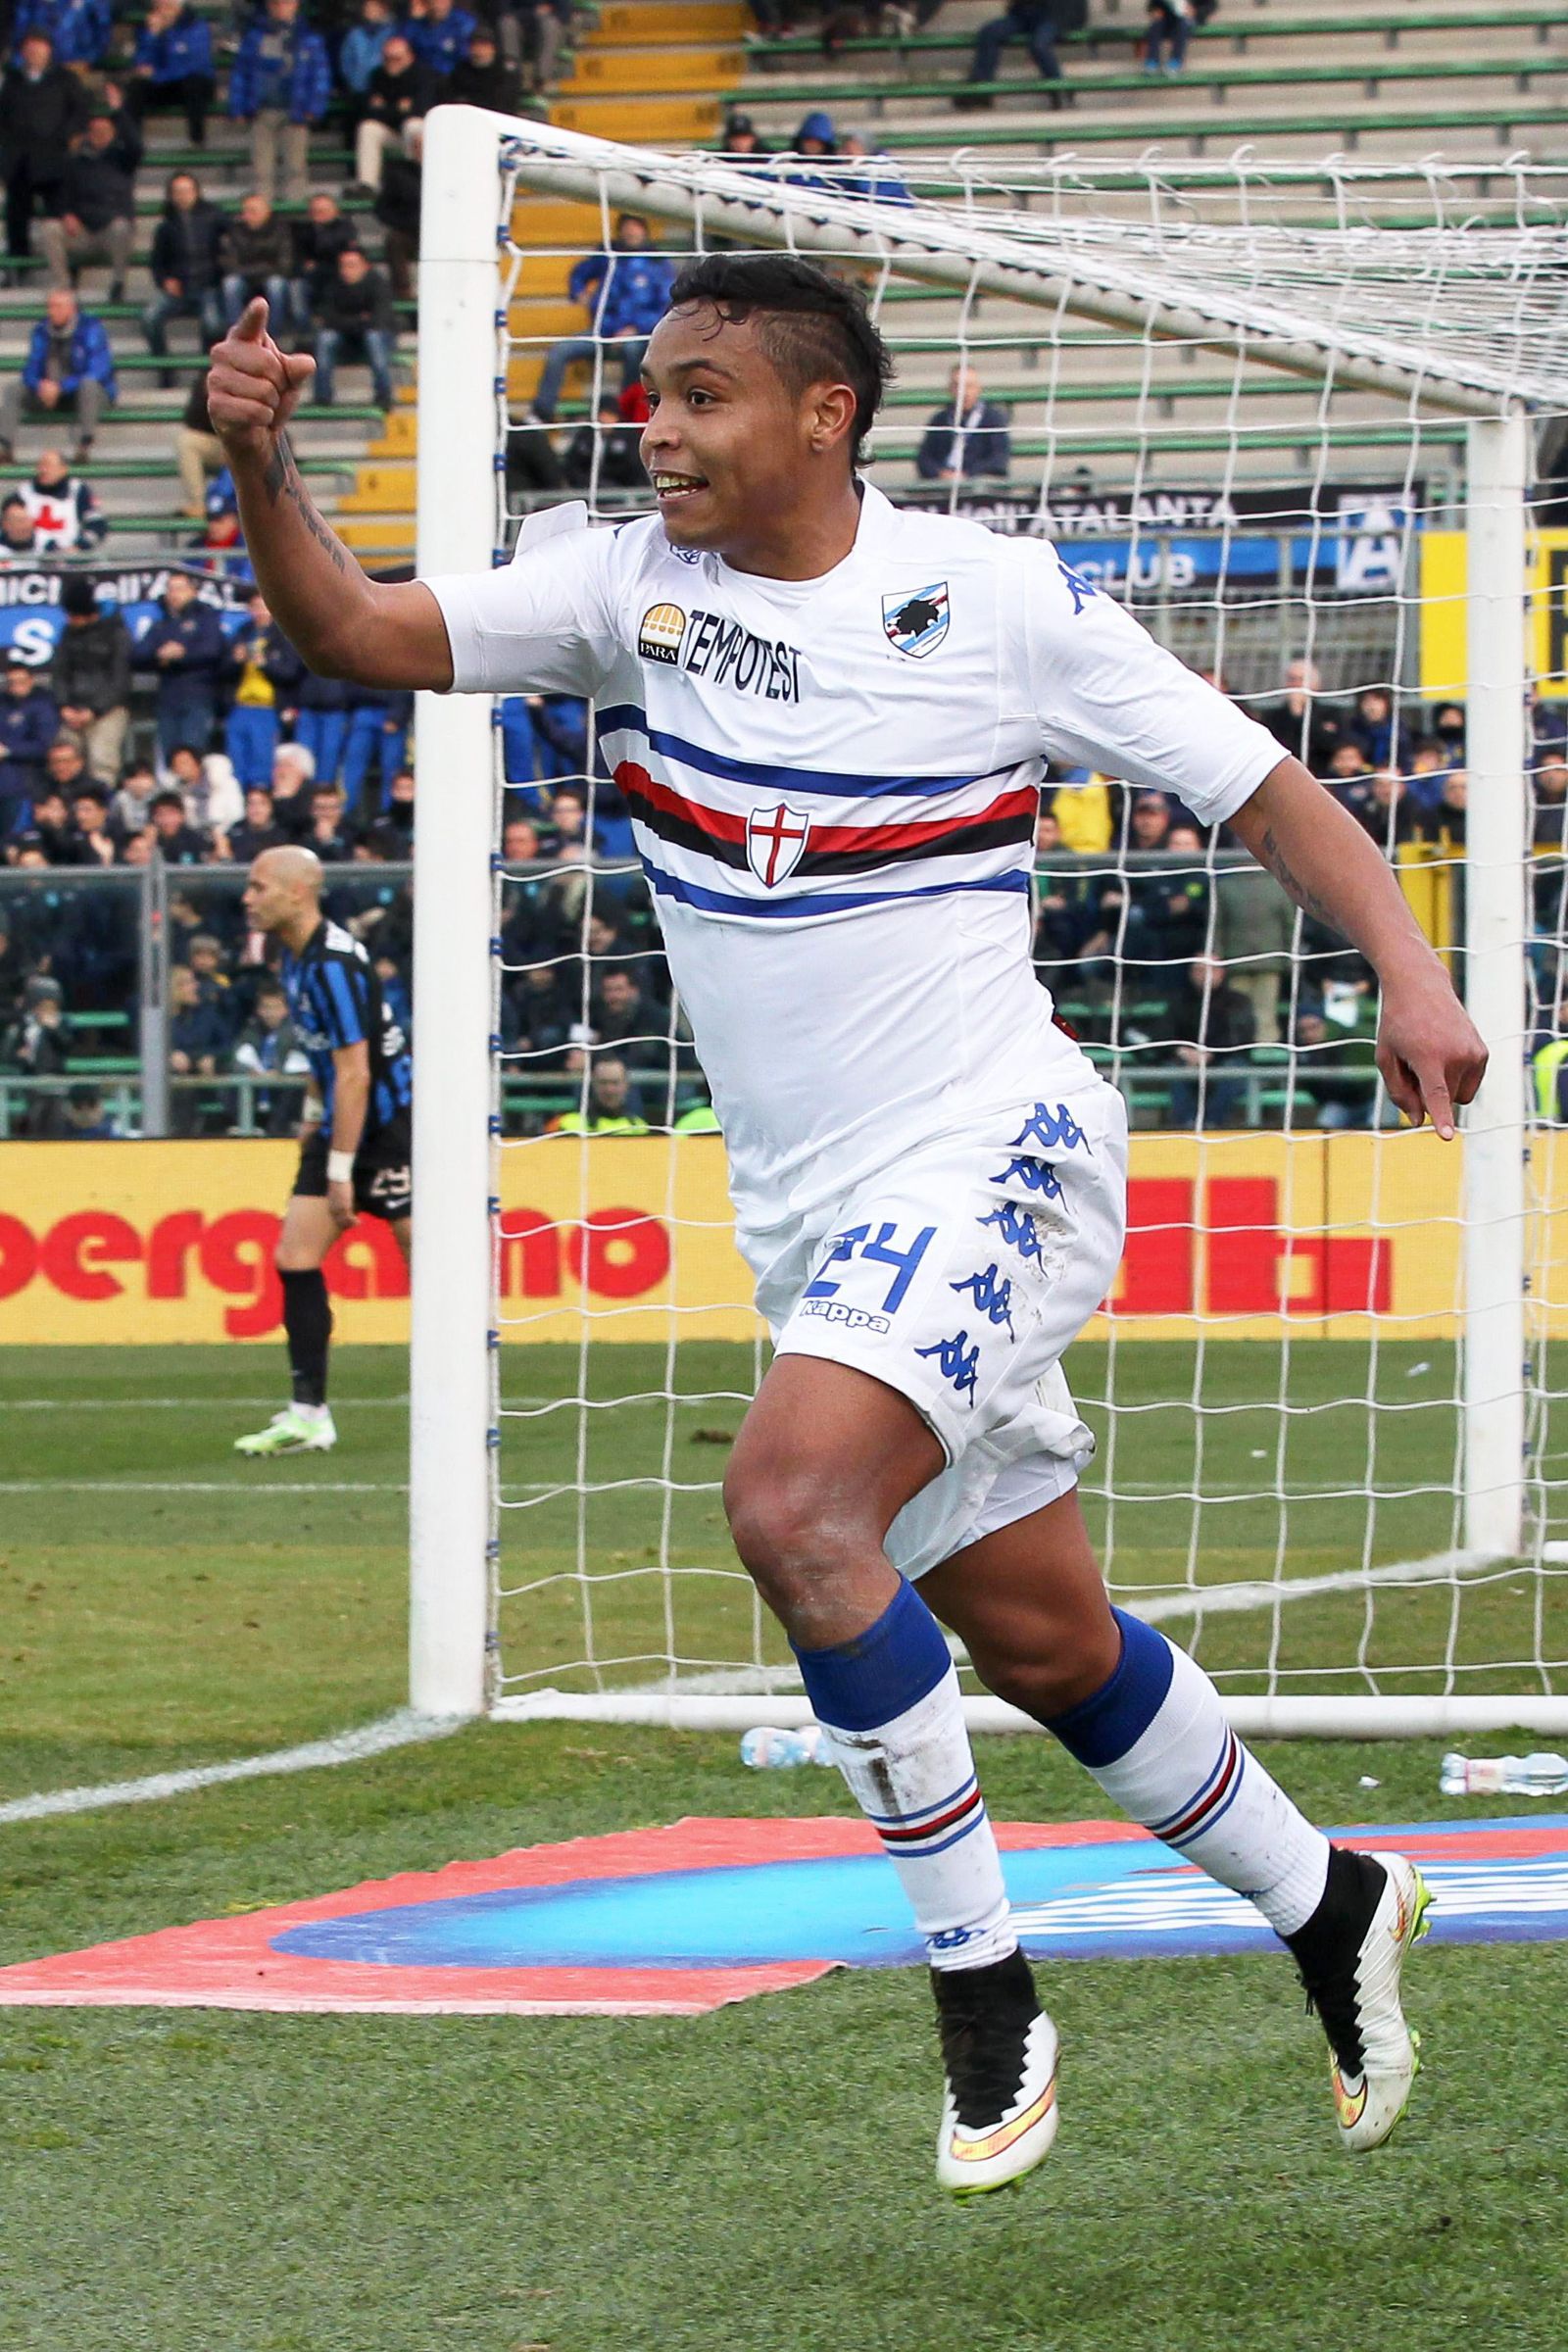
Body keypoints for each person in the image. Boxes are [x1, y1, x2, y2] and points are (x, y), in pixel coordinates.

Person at [208, 254, 1484, 2194]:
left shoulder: (992, 600)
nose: (656, 427)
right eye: (650, 391)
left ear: (827, 414)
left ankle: (982, 1991)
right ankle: (1331, 1901)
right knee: (1044, 1641)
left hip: (996, 1152)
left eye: (700, 393)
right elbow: (355, 629)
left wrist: (1409, 965)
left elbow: (1259, 787)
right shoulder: (621, 588)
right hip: (814, 1218)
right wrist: (262, 466)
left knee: (795, 1509)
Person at [233, 845, 414, 1454]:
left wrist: (340, 1169)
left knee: (428, 1262)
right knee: (295, 1256)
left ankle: (464, 1397)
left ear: (298, 891)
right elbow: (323, 1056)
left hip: (390, 1125)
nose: (248, 898)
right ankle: (309, 1414)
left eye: (258, 886)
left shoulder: (335, 963)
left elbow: (356, 1071)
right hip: (342, 1121)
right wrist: (315, 1119)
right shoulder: (294, 956)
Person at [531, 213, 674, 422]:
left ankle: (627, 413)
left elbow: (664, 307)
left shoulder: (657, 263)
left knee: (634, 351)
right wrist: (578, 292)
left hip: (638, 335)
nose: (631, 232)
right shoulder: (608, 255)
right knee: (560, 351)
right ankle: (542, 412)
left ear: (644, 230)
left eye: (635, 227)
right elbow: (579, 273)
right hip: (602, 332)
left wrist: (636, 328)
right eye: (627, 227)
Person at [227, 0, 333, 210]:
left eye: (285, 3)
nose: (281, 8)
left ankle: (294, 214)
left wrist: (314, 107)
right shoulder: (254, 38)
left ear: (295, 5)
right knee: (261, 169)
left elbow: (320, 75)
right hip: (262, 110)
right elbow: (241, 73)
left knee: (295, 167)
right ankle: (261, 213)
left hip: (296, 111)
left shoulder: (310, 39)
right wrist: (238, 106)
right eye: (276, 4)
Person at [0, 287, 118, 466]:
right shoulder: (41, 330)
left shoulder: (91, 329)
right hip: (49, 394)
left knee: (89, 384)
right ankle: (5, 448)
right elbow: (31, 368)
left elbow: (98, 370)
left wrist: (61, 387)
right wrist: (40, 385)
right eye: (50, 306)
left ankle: (84, 446)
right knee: (14, 389)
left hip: (85, 394)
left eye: (58, 306)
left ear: (72, 309)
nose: (52, 311)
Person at [0, 31, 88, 270]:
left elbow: (80, 111)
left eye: (39, 47)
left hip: (54, 159)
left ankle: (67, 270)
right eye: (30, 48)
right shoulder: (13, 80)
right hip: (20, 161)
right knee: (16, 218)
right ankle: (19, 268)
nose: (35, 53)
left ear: (49, 50)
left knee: (59, 217)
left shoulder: (65, 78)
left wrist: (66, 136)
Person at [36, 103, 140, 302]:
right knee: (50, 228)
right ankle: (63, 284)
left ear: (113, 133)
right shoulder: (74, 162)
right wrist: (67, 214)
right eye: (95, 131)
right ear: (88, 133)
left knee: (121, 227)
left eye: (104, 131)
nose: (99, 135)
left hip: (111, 230)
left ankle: (118, 282)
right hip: (82, 230)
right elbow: (63, 195)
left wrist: (119, 112)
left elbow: (136, 145)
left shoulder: (123, 160)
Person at [132, 570, 227, 763]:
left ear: (193, 591)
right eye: (171, 589)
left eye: (180, 589)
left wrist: (182, 655)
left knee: (192, 753)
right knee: (169, 756)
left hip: (198, 697)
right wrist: (160, 655)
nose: (174, 594)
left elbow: (213, 651)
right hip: (167, 699)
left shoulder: (206, 618)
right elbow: (137, 656)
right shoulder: (161, 624)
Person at [143, 172, 228, 377]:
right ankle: (165, 368)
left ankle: (207, 374)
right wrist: (165, 281)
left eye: (187, 191)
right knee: (149, 318)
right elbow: (157, 262)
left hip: (208, 286)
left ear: (196, 192)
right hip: (178, 290)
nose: (183, 196)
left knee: (213, 325)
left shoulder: (214, 218)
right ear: (171, 195)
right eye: (178, 192)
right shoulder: (165, 227)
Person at [51, 572, 132, 784]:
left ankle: (100, 801)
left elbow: (120, 679)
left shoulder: (116, 633)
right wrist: (64, 705)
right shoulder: (67, 634)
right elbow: (60, 672)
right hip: (72, 710)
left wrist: (95, 709)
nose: (69, 619)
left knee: (102, 761)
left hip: (108, 711)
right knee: (64, 760)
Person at [352, 33, 439, 198]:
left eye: (397, 58)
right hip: (393, 134)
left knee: (412, 125)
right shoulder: (377, 75)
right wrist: (399, 109)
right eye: (387, 58)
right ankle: (367, 185)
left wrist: (385, 108)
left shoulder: (424, 76)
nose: (391, 63)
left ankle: (416, 181)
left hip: (418, 136)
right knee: (368, 128)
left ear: (410, 57)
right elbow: (369, 113)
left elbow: (420, 110)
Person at [312, 246, 397, 412]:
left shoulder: (378, 284)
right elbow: (328, 318)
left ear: (365, 266)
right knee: (325, 339)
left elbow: (380, 319)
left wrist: (348, 322)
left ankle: (384, 395)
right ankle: (322, 396)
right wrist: (360, 320)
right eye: (343, 265)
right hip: (345, 336)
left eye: (352, 265)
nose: (346, 270)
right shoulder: (333, 285)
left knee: (374, 339)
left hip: (375, 335)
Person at [125, 0, 217, 146]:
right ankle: (132, 143)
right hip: (165, 84)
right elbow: (142, 64)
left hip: (191, 84)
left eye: (167, 6)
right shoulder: (148, 28)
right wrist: (153, 37)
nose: (163, 11)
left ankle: (197, 140)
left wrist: (158, 75)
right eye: (159, 7)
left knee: (194, 83)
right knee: (136, 87)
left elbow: (193, 65)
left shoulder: (196, 26)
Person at [232, 972, 313, 1133]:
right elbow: (238, 1058)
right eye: (266, 1007)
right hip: (256, 1088)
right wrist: (250, 1071)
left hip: (283, 1093)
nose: (270, 1013)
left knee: (292, 1091)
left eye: (276, 1007)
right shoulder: (250, 1031)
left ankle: (277, 1129)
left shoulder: (296, 1033)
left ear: (286, 1010)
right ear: (258, 1010)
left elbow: (301, 1064)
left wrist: (279, 1073)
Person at [957, 0, 1065, 107]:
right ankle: (982, 89)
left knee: (1039, 45)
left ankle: (1059, 90)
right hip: (1022, 14)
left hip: (1053, 16)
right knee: (989, 33)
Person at [915, 364, 1010, 484]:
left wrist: (968, 474)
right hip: (943, 483)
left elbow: (998, 459)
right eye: (957, 386)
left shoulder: (993, 418)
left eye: (969, 386)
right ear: (950, 389)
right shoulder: (940, 419)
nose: (964, 392)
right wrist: (940, 473)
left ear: (978, 389)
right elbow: (924, 459)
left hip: (980, 483)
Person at [0, 659, 61, 831]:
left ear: (31, 680)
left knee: (14, 835)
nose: (16, 686)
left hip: (24, 783)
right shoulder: (3, 704)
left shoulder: (43, 705)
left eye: (21, 681)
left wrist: (8, 750)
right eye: (12, 682)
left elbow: (45, 746)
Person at [220, 190, 294, 333]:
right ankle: (237, 333)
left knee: (276, 285)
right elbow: (230, 264)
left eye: (253, 211)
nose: (248, 215)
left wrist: (256, 270)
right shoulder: (235, 232)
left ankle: (272, 333)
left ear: (266, 212)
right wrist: (262, 268)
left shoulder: (281, 231)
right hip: (245, 277)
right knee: (230, 284)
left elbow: (285, 265)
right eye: (245, 211)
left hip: (271, 276)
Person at [288, 189, 357, 333]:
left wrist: (317, 263)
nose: (319, 214)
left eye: (324, 210)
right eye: (316, 210)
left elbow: (340, 255)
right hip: (310, 279)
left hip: (336, 276)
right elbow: (298, 260)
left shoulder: (346, 229)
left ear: (335, 211)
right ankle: (304, 332)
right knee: (296, 286)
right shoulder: (302, 231)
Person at [18, 448, 105, 555]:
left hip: (71, 558)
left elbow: (97, 524)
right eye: (41, 465)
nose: (44, 470)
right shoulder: (24, 492)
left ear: (63, 469)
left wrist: (80, 546)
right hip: (33, 557)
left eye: (49, 466)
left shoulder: (78, 490)